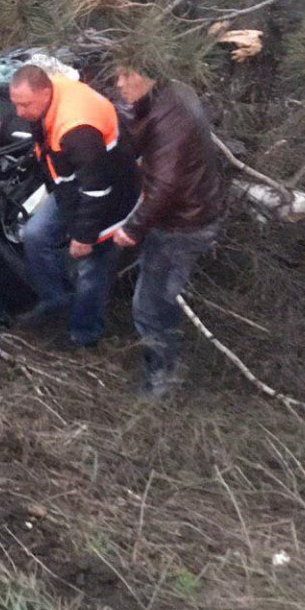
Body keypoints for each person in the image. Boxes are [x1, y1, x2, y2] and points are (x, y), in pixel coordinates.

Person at [9, 64, 141, 348]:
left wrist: (84, 236)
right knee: (36, 235)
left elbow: (97, 189)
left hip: (111, 198)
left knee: (92, 267)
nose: (19, 114)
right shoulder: (49, 96)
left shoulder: (78, 129)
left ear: (45, 93)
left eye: (25, 105)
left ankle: (84, 334)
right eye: (15, 105)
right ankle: (57, 301)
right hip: (74, 186)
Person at [112, 66, 224, 395]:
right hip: (191, 212)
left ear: (148, 75)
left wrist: (132, 229)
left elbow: (165, 186)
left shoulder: (171, 120)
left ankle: (163, 377)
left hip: (183, 225)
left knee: (152, 304)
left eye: (125, 75)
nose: (118, 84)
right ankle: (163, 364)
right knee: (161, 295)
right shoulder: (171, 94)